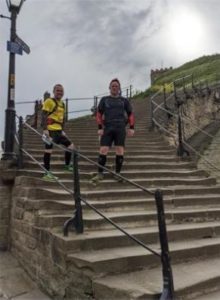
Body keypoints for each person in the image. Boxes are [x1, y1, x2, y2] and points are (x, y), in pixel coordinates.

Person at [92, 78, 135, 183]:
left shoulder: (124, 100)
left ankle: (118, 173)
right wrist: (100, 128)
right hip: (108, 128)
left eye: (116, 86)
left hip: (120, 128)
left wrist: (132, 127)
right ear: (109, 88)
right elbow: (98, 114)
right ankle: (100, 173)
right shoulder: (104, 100)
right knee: (103, 150)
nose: (114, 87)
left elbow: (130, 114)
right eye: (113, 86)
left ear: (119, 88)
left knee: (120, 151)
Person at [41, 84, 74, 180]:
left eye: (61, 91)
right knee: (48, 150)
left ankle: (67, 166)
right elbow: (43, 116)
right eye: (58, 90)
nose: (60, 92)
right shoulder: (49, 101)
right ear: (54, 91)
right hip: (50, 130)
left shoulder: (63, 104)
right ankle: (46, 173)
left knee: (70, 146)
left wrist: (62, 130)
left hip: (59, 131)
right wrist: (45, 129)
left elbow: (62, 118)